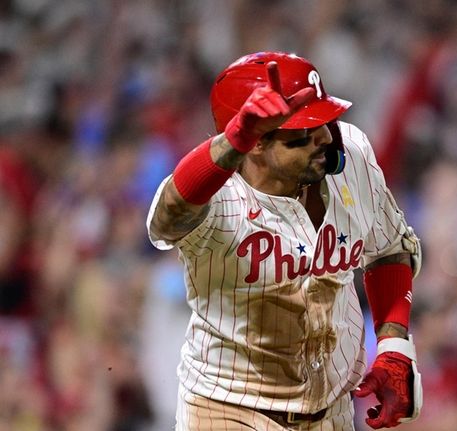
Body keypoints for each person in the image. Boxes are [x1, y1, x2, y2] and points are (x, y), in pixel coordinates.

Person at [146, 52, 422, 430]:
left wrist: (394, 346)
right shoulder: (218, 195)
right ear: (256, 143)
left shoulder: (350, 154)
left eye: (325, 120)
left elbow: (389, 250)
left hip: (332, 412)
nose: (325, 137)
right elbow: (167, 219)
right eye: (304, 132)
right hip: (230, 408)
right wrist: (234, 139)